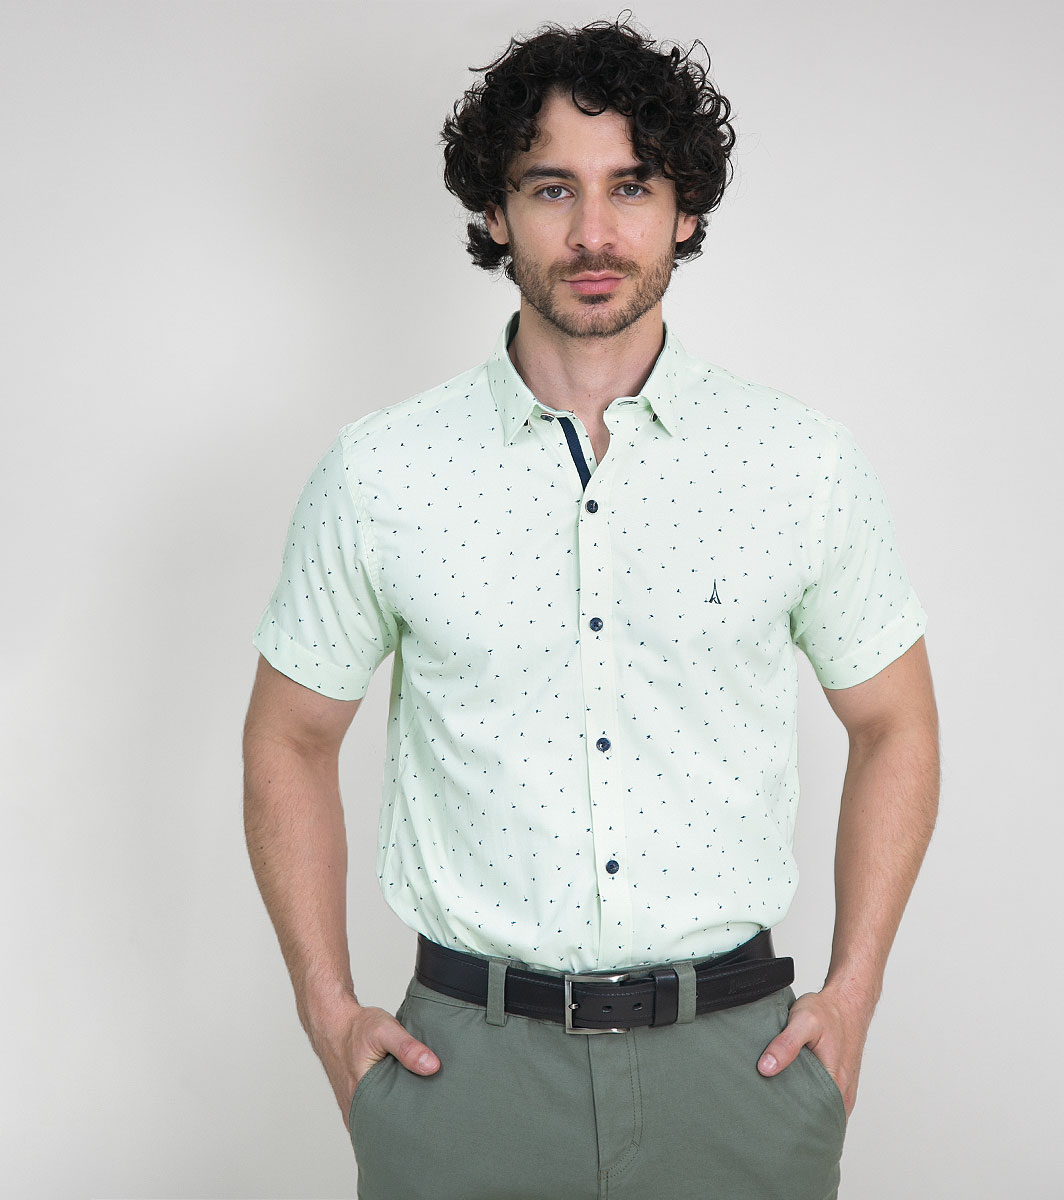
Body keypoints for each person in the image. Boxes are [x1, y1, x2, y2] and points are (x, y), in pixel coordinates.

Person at [243, 16, 939, 1200]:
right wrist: (327, 1010)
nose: (595, 233)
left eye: (633, 185)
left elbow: (897, 724)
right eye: (552, 187)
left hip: (742, 1069)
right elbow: (289, 739)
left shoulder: (800, 465)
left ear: (686, 210)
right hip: (465, 1074)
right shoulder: (382, 473)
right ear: (496, 211)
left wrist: (855, 992)